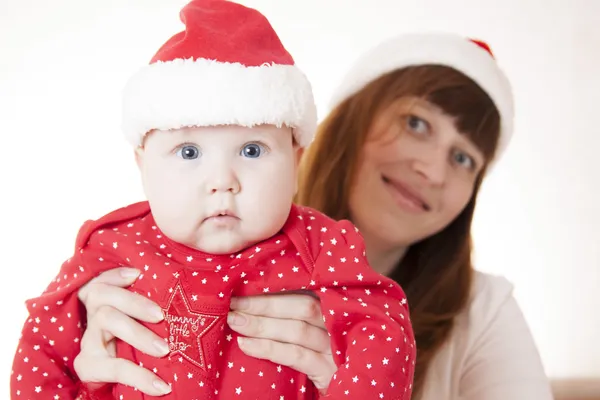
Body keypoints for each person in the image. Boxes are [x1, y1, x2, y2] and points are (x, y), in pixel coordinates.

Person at [43, 32, 553, 400]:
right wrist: (88, 364)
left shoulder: (484, 309)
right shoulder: (138, 251)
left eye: (464, 157)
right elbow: (45, 356)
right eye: (415, 123)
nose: (433, 169)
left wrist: (355, 387)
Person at [8, 1, 417, 399]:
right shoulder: (113, 245)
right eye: (189, 153)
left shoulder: (320, 245)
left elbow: (382, 331)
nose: (222, 181)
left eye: (252, 150)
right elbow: (44, 339)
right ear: (142, 165)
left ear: (295, 164)